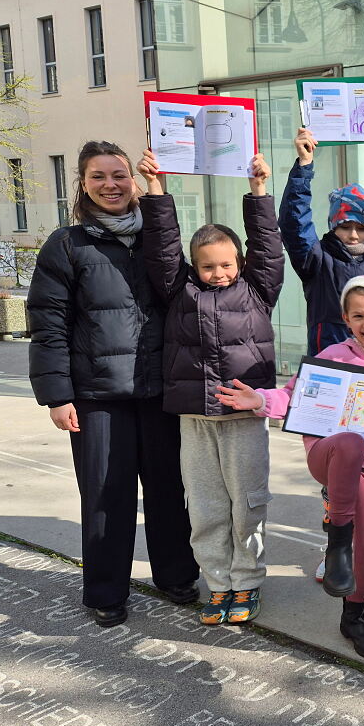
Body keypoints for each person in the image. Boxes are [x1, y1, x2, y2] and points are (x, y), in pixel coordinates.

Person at [27, 140, 199, 627]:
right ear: (82, 183)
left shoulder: (156, 237)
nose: (111, 185)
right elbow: (48, 322)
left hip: (159, 390)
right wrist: (57, 395)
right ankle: (106, 590)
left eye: (119, 175)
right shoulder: (66, 244)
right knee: (106, 494)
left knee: (168, 488)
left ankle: (176, 575)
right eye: (99, 176)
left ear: (133, 180)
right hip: (97, 396)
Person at [216, 277, 364, 659]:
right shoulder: (332, 355)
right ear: (346, 319)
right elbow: (292, 395)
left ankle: (353, 617)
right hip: (328, 455)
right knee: (349, 441)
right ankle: (336, 543)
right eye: (358, 315)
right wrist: (258, 399)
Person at [138, 148, 283, 625]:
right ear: (194, 267)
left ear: (239, 262)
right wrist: (157, 189)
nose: (218, 273)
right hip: (195, 420)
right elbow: (161, 249)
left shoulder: (258, 289)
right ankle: (218, 584)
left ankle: (247, 583)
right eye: (207, 266)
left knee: (247, 505)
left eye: (226, 264)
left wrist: (258, 191)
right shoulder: (182, 291)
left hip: (243, 418)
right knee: (204, 508)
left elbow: (268, 245)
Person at [279, 128, 364, 578]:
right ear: (334, 223)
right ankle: (335, 542)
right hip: (331, 377)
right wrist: (303, 169)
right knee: (335, 468)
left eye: (359, 223)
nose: (352, 230)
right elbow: (293, 226)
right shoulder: (316, 258)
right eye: (344, 223)